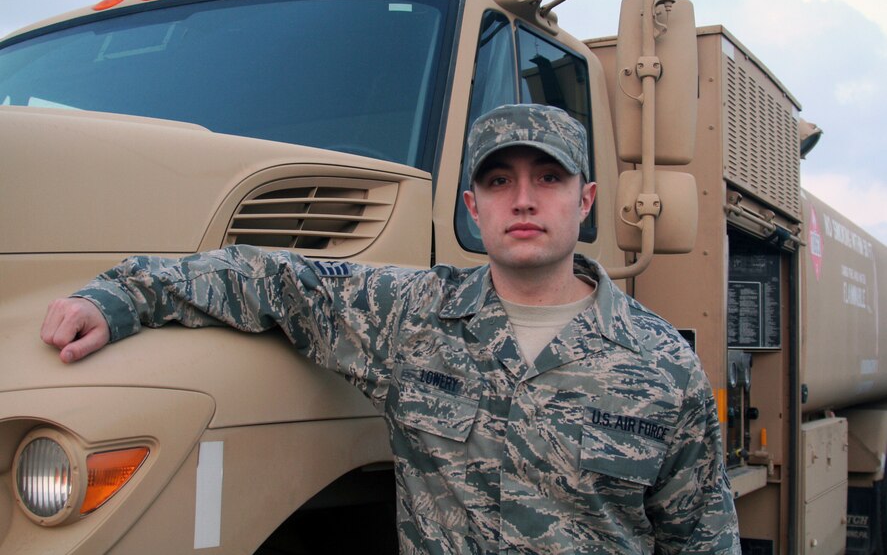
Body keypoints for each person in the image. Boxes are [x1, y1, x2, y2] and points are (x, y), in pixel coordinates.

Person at [41, 104, 740, 554]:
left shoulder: (661, 366)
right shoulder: (409, 317)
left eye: (548, 177)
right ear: (471, 205)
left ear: (585, 201)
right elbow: (271, 280)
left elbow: (700, 540)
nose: (522, 198)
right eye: (498, 180)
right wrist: (121, 296)